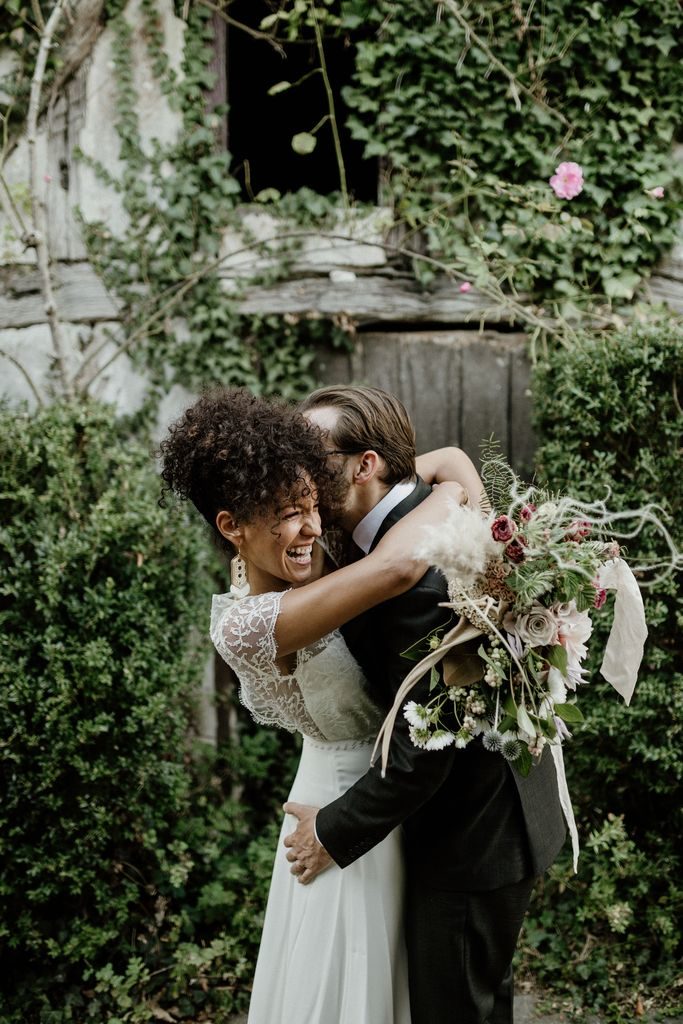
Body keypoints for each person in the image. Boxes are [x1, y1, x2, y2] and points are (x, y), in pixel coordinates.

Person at [157, 386, 471, 1024]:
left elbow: (452, 459)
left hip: (393, 797)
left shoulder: (316, 554)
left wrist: (463, 498)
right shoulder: (249, 624)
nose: (310, 527)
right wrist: (452, 505)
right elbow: (397, 566)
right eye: (286, 513)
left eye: (312, 505)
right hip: (335, 811)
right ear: (231, 527)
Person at [285, 384, 568, 1024]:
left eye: (311, 455)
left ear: (366, 464)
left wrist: (329, 832)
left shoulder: (422, 574)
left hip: (473, 833)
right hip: (472, 815)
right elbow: (444, 465)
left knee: (454, 1009)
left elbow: (425, 750)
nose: (296, 472)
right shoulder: (393, 521)